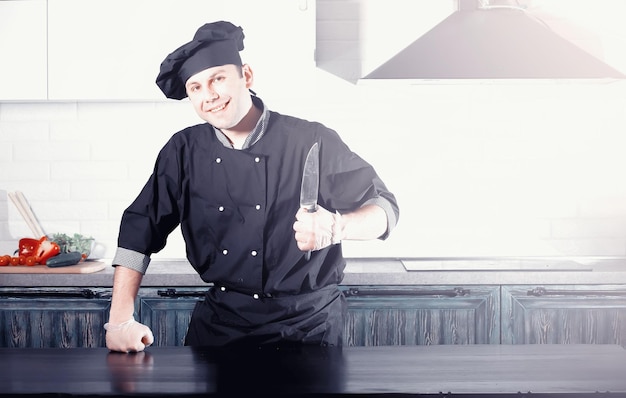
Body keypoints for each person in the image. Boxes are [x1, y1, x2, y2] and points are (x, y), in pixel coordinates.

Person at [104, 20, 399, 352]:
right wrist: (119, 319)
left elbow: (385, 209)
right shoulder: (183, 151)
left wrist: (338, 226)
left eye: (217, 79)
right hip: (222, 325)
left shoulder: (311, 140)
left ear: (246, 75)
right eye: (196, 88)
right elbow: (140, 230)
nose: (209, 96)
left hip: (308, 327)